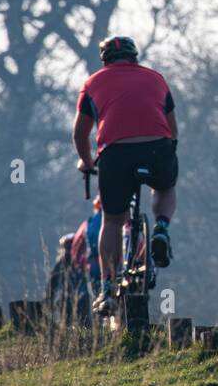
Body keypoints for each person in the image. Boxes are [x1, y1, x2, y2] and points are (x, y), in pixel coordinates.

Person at [73, 35, 180, 317]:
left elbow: (80, 133)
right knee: (166, 187)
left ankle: (107, 287)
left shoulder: (92, 83)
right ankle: (161, 229)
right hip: (157, 147)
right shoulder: (156, 79)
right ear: (135, 57)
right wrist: (169, 151)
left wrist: (86, 161)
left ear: (104, 59)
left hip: (115, 154)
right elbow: (173, 128)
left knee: (112, 219)